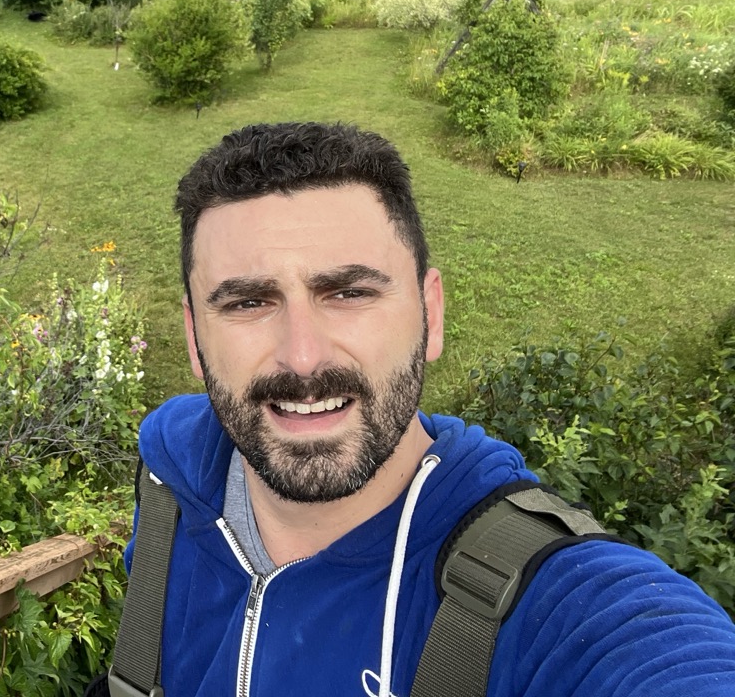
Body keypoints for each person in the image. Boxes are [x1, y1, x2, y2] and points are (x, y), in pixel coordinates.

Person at [130, 121, 735, 696]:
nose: (304, 358)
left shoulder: (560, 603)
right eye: (247, 302)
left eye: (349, 293)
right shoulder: (167, 489)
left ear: (431, 314)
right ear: (193, 337)